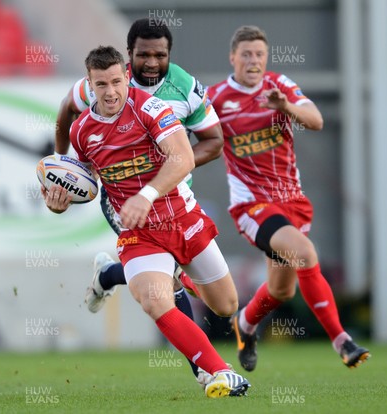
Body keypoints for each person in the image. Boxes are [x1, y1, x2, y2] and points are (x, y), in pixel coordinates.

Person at [42, 45, 250, 398]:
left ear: (126, 76)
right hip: (140, 233)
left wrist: (146, 195)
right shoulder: (82, 132)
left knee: (226, 306)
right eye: (100, 85)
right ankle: (220, 372)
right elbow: (82, 184)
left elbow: (183, 158)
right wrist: (58, 203)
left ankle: (110, 274)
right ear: (89, 85)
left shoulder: (151, 108)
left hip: (181, 217)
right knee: (154, 300)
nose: (110, 92)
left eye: (115, 82)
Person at [206, 25, 370, 371]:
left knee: (282, 291)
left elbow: (316, 120)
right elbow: (191, 135)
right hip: (252, 206)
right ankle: (343, 341)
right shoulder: (216, 98)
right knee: (306, 253)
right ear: (232, 57)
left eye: (260, 55)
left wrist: (286, 107)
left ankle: (245, 325)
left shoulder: (279, 86)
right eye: (246, 54)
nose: (253, 61)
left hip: (291, 202)